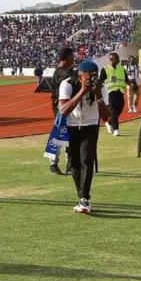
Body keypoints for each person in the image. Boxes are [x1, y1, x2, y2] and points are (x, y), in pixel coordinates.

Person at [58, 59, 112, 214]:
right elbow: (63, 110)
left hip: (90, 125)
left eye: (92, 77)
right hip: (71, 125)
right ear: (80, 75)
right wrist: (81, 91)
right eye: (86, 77)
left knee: (87, 159)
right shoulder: (68, 84)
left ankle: (84, 198)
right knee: (74, 163)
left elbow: (106, 117)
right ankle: (81, 196)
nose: (89, 80)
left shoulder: (102, 87)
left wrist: (98, 95)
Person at [47, 47, 76, 175]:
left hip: (58, 107)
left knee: (59, 134)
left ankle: (55, 162)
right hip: (66, 107)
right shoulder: (68, 74)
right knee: (67, 135)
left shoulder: (57, 72)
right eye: (72, 56)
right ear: (68, 58)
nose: (74, 59)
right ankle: (68, 163)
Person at [99, 52, 126, 137]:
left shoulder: (121, 68)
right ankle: (116, 129)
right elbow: (100, 81)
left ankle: (109, 122)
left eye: (118, 57)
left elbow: (126, 78)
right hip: (110, 92)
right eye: (116, 58)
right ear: (111, 59)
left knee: (120, 109)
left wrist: (131, 84)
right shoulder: (105, 69)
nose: (118, 59)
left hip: (120, 91)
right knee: (113, 111)